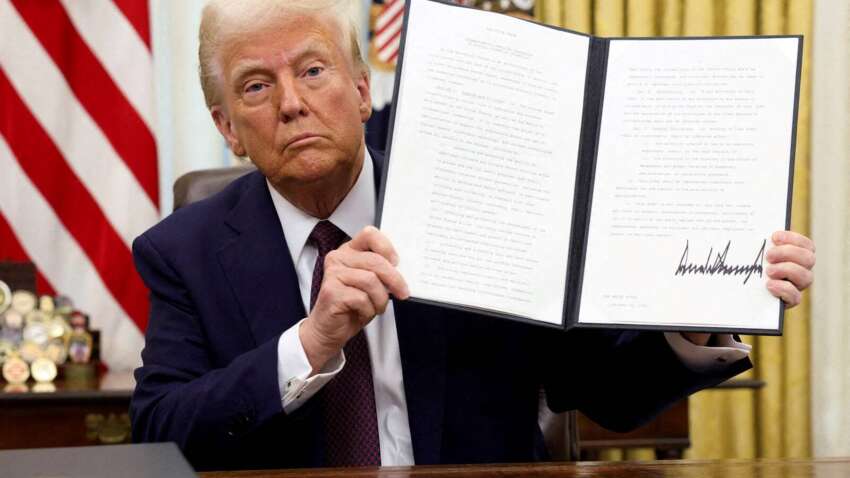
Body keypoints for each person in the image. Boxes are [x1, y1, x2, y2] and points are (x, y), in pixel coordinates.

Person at [130, 0, 816, 471]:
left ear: (362, 91)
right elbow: (160, 431)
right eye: (256, 86)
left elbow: (604, 389)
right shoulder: (183, 252)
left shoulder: (480, 203)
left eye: (313, 70)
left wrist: (703, 306)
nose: (290, 103)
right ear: (228, 128)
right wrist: (309, 345)